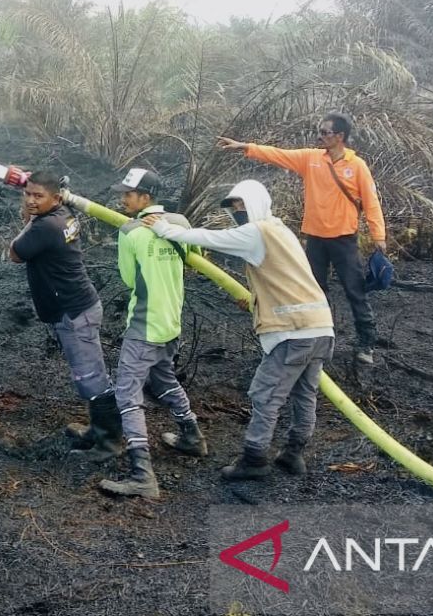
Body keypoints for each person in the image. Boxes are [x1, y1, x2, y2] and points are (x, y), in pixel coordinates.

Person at [144, 179, 334, 480]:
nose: (237, 211)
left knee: (265, 394)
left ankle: (254, 459)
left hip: (293, 332)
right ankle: (293, 455)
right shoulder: (281, 231)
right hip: (321, 327)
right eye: (233, 207)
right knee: (305, 394)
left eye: (241, 204)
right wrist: (258, 301)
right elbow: (286, 280)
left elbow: (211, 238)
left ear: (256, 202)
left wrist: (165, 229)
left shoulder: (257, 232)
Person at [217, 113, 385, 364]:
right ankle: (321, 339)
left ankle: (366, 343)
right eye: (320, 131)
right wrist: (246, 147)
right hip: (315, 239)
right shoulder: (311, 158)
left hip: (344, 239)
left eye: (325, 132)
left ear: (340, 136)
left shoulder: (356, 165)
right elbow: (279, 154)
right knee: (315, 291)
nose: (320, 136)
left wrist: (378, 236)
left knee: (355, 290)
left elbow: (371, 202)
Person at [90, 168, 208, 501]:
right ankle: (192, 436)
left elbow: (129, 280)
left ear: (146, 197)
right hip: (171, 322)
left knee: (128, 395)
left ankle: (142, 476)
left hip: (144, 325)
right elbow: (195, 260)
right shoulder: (181, 223)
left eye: (128, 194)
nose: (122, 199)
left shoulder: (130, 232)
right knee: (164, 380)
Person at [9, 171, 123, 459]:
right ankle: (98, 431)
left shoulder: (46, 227)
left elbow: (15, 253)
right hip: (79, 305)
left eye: (38, 196)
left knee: (91, 377)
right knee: (90, 372)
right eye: (28, 194)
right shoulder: (65, 213)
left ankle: (109, 442)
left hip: (74, 312)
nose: (31, 201)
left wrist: (29, 214)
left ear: (56, 198)